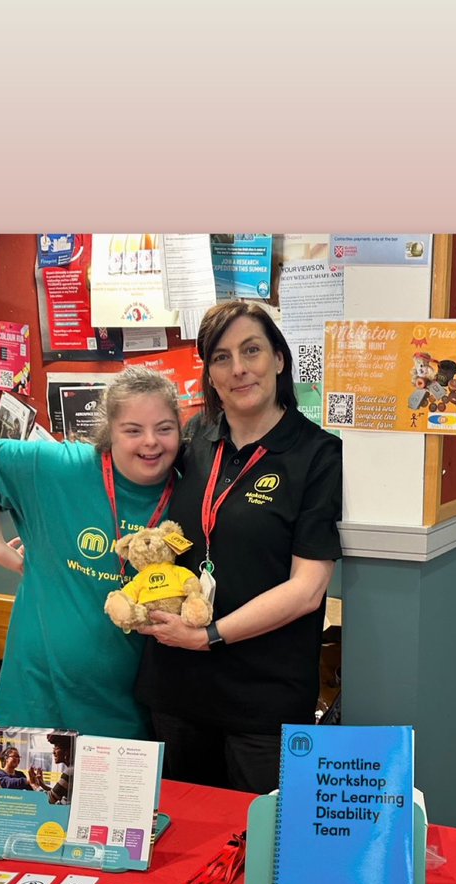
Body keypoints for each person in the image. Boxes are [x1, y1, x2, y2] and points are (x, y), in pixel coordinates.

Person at [135, 299, 343, 795]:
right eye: (221, 357)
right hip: (176, 687)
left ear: (279, 359)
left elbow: (308, 589)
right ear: (208, 373)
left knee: (262, 851)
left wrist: (210, 635)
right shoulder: (192, 438)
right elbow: (126, 482)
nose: (239, 369)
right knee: (184, 843)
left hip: (262, 701)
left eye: (252, 350)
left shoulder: (318, 455)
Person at [0, 366, 182, 738]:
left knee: (115, 797)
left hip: (126, 703)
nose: (150, 442)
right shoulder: (63, 467)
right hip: (37, 694)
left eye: (164, 428)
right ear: (110, 431)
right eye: (133, 430)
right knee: (22, 794)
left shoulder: (188, 492)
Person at [28, 733, 74, 805]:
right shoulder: (72, 769)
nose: (53, 752)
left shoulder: (70, 771)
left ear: (67, 751)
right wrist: (43, 785)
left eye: (57, 748)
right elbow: (57, 794)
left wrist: (34, 784)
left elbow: (49, 800)